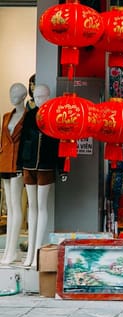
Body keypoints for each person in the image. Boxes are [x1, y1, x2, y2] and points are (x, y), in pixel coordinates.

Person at [17, 84, 62, 268]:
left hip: (46, 165)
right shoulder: (29, 116)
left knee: (41, 207)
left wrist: (62, 168)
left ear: (48, 95)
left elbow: (61, 143)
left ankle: (37, 252)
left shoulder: (54, 116)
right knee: (32, 207)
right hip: (29, 165)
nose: (40, 99)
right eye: (36, 96)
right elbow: (22, 141)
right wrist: (19, 164)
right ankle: (30, 252)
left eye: (43, 95)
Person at [0, 83, 27, 265]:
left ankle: (11, 249)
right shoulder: (6, 117)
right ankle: (11, 250)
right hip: (4, 163)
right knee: (9, 207)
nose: (12, 95)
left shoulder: (27, 117)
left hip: (17, 164)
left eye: (16, 93)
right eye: (11, 92)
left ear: (23, 96)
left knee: (16, 206)